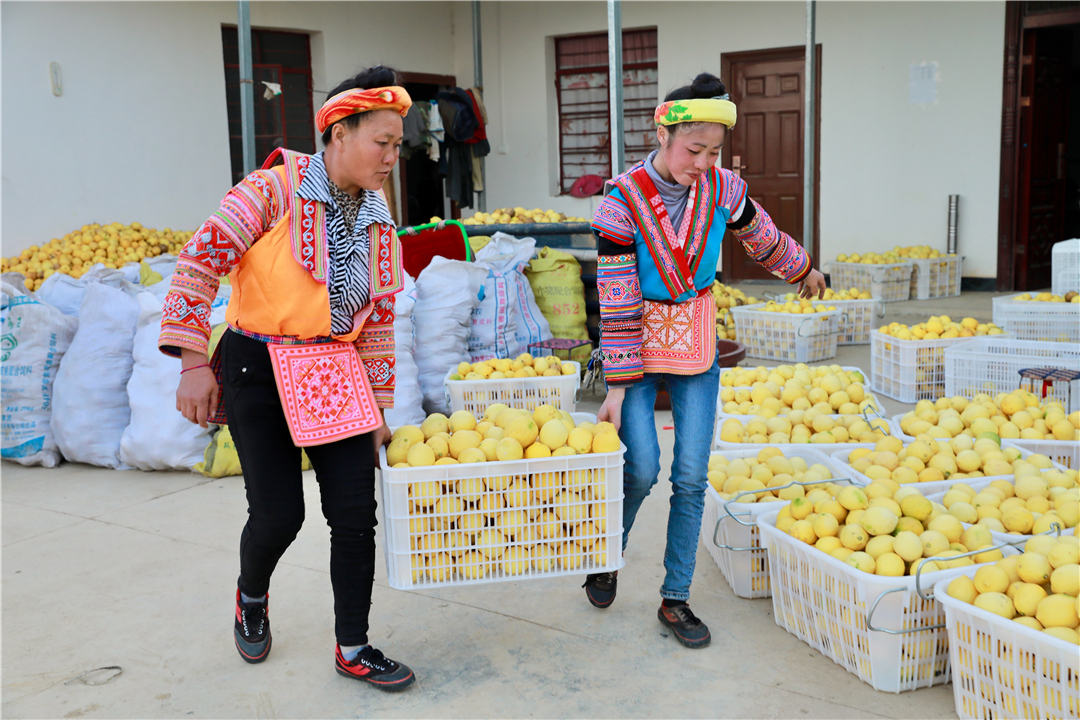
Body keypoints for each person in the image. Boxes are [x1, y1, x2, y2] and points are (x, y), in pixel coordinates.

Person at [159, 66, 416, 691]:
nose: (391, 156)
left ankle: (353, 646)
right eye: (380, 142)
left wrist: (380, 406)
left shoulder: (381, 218)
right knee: (279, 515)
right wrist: (194, 361)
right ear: (338, 133)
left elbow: (378, 319)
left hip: (338, 371)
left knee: (355, 514)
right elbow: (201, 259)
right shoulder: (272, 189)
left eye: (397, 145)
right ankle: (252, 595)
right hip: (260, 365)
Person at [585, 72, 826, 648]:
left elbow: (761, 234)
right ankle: (605, 553)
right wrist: (616, 388)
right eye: (694, 149)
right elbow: (615, 298)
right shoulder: (620, 202)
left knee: (691, 478)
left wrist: (802, 267)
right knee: (641, 468)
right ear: (663, 133)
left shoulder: (723, 189)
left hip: (695, 344)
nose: (703, 162)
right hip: (635, 347)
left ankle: (676, 598)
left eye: (714, 152)